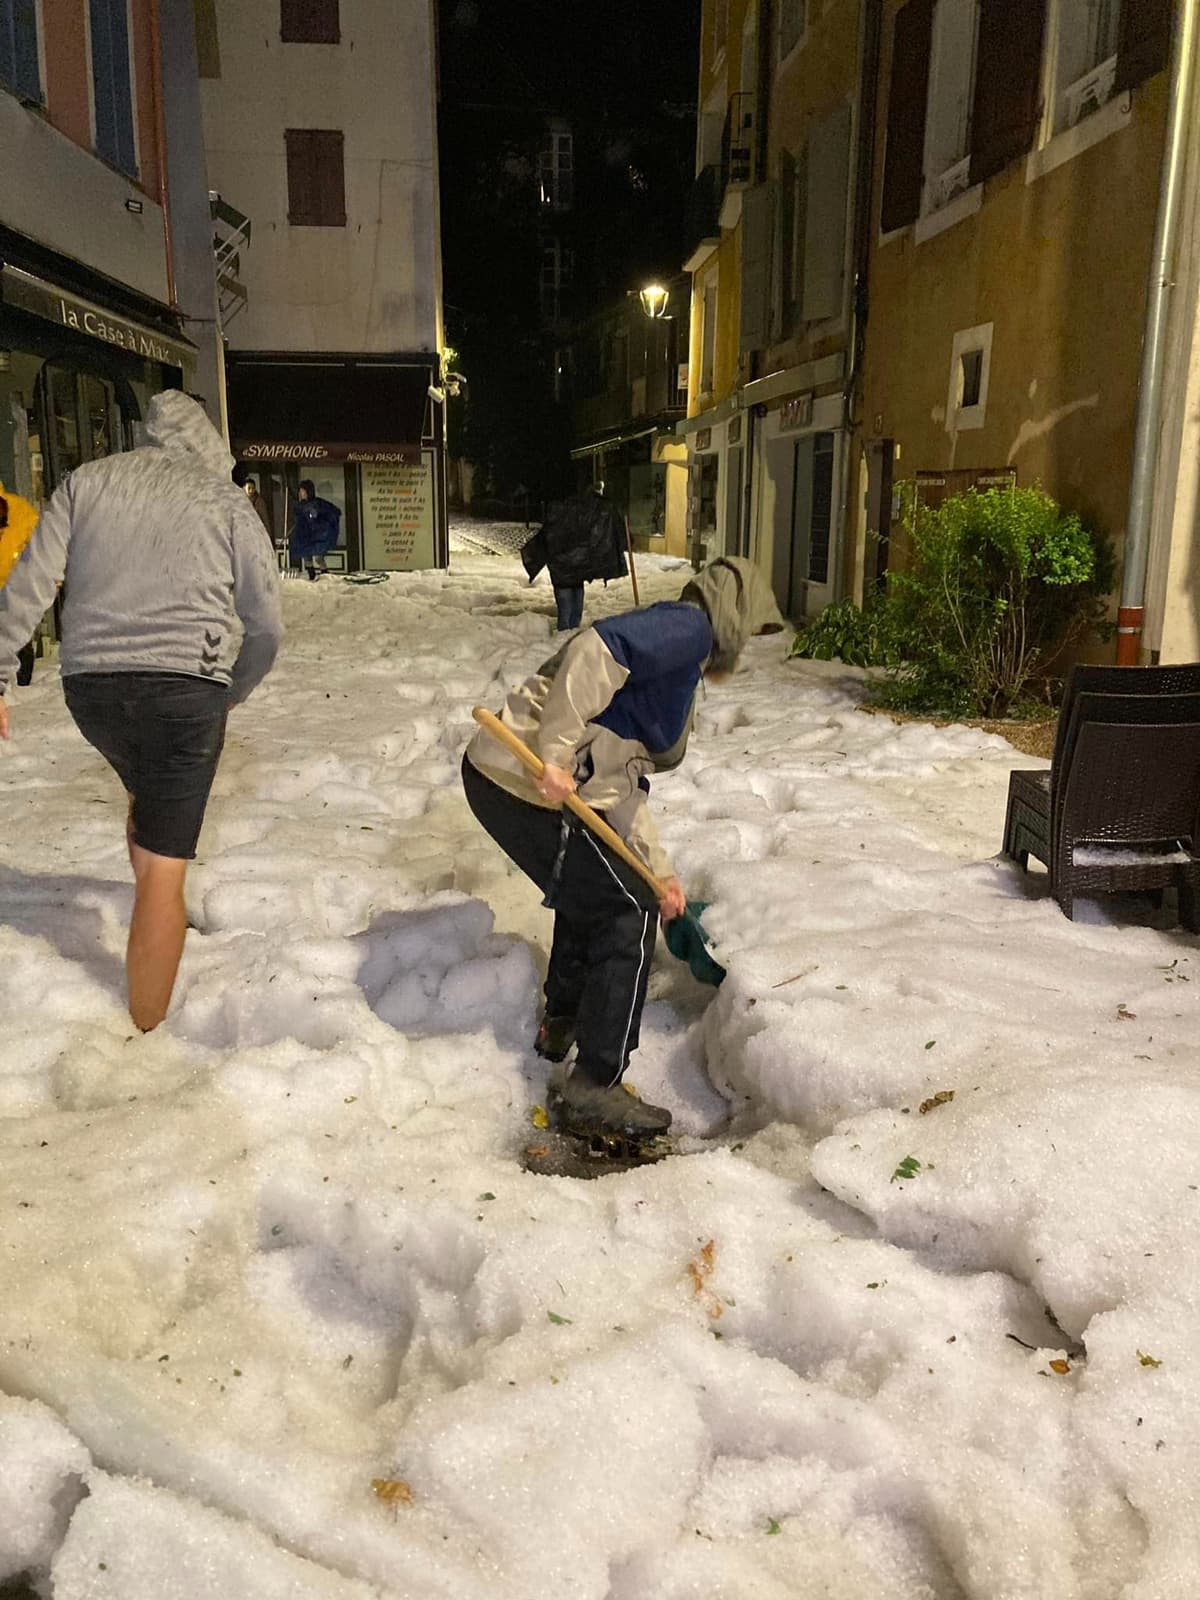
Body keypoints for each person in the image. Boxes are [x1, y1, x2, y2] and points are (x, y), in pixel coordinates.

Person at [462, 556, 784, 1139]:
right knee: (623, 907)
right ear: (736, 613)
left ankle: (562, 1021)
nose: (747, 647)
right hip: (519, 772)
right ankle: (596, 1084)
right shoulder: (690, 628)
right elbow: (596, 649)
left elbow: (621, 789)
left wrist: (662, 875)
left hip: (503, 778)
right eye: (754, 629)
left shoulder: (677, 667)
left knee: (606, 884)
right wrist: (556, 755)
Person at [0, 390, 283, 1032]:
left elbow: (31, 582)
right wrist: (229, 690)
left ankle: (155, 900)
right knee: (164, 862)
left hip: (92, 691)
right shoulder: (223, 503)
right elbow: (266, 625)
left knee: (146, 795)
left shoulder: (86, 482)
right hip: (187, 690)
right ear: (210, 443)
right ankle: (147, 1028)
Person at [521, 481, 628, 632]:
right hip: (576, 573)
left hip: (563, 574)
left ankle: (566, 642)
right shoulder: (585, 514)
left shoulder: (558, 514)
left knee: (567, 617)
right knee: (572, 617)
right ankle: (567, 643)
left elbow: (545, 541)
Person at [0, 483, 39, 686]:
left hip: (15, 586)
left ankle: (24, 686)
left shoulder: (22, 513)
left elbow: (40, 552)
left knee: (19, 636)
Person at [289, 479, 341, 580]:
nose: (302, 493)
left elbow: (332, 512)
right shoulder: (300, 505)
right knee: (306, 555)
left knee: (318, 557)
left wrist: (319, 520)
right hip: (305, 535)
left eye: (303, 491)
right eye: (300, 491)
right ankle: (311, 576)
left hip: (317, 535)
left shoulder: (317, 503)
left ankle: (325, 575)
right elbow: (297, 517)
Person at [243, 476, 274, 544]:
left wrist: (268, 535)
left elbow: (265, 519)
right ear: (244, 489)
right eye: (249, 488)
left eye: (253, 488)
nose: (251, 491)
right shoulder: (241, 502)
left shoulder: (259, 502)